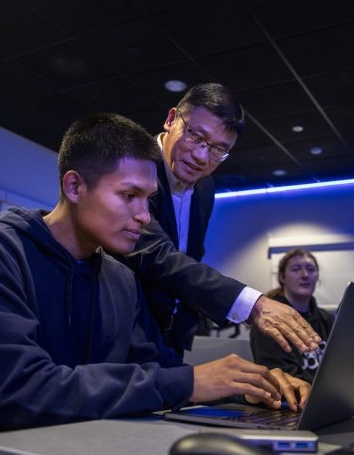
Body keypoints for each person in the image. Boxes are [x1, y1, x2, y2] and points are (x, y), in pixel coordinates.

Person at [0, 113, 309, 455]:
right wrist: (190, 383)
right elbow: (22, 393)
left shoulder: (119, 277)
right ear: (74, 186)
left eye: (148, 200)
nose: (144, 216)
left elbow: (157, 368)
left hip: (59, 441)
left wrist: (245, 385)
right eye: (128, 196)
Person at [119, 82, 320, 359]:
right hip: (125, 332)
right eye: (195, 136)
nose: (202, 157)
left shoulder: (205, 187)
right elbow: (155, 255)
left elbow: (191, 256)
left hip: (172, 338)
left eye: (218, 150)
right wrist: (252, 304)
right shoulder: (133, 167)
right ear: (171, 119)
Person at [250, 249, 335, 383]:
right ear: (282, 277)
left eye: (310, 269)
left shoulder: (328, 319)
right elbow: (283, 379)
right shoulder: (269, 322)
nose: (305, 275)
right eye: (296, 269)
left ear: (317, 276)